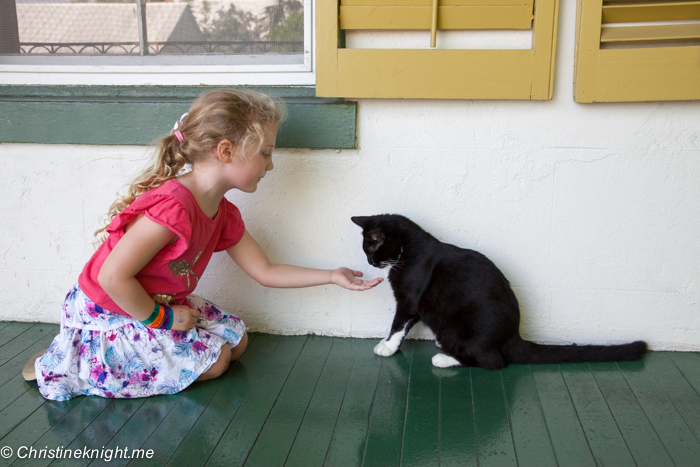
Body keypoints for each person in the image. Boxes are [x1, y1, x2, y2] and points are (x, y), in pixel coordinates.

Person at [28, 89, 382, 401]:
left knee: (237, 342)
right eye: (266, 154)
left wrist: (332, 276)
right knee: (219, 361)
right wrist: (162, 318)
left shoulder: (222, 213)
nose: (271, 165)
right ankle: (82, 361)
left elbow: (266, 270)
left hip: (158, 303)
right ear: (226, 150)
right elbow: (112, 279)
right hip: (113, 310)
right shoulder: (173, 207)